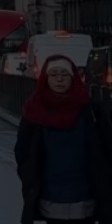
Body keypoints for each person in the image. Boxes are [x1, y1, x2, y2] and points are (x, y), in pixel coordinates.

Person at [14, 55, 112, 223]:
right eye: (53, 74)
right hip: (50, 198)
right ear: (46, 78)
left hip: (86, 198)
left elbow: (107, 147)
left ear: (73, 78)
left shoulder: (90, 111)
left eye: (64, 74)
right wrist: (30, 178)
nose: (59, 79)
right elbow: (22, 151)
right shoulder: (34, 112)